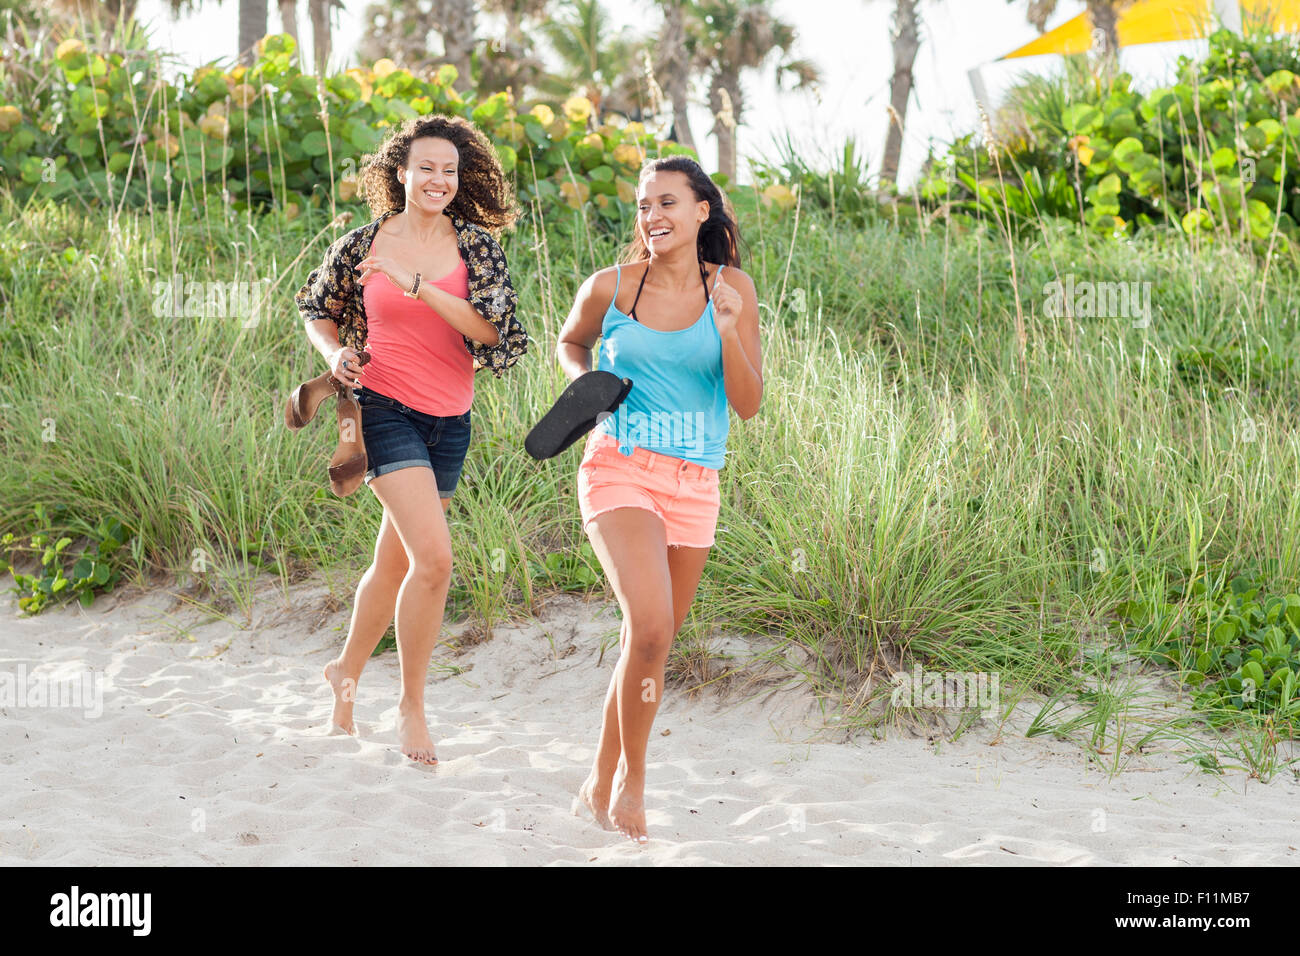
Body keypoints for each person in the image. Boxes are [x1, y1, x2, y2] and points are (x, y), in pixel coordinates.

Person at [294, 114, 527, 765]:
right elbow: (318, 308)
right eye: (426, 167)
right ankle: (412, 708)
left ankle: (343, 674)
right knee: (435, 561)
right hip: (383, 410)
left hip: (451, 420)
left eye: (449, 170)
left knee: (394, 564)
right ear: (401, 172)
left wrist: (417, 286)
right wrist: (336, 352)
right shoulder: (365, 243)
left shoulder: (475, 248)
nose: (438, 179)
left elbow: (490, 331)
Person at [554, 155, 763, 841]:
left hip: (696, 481)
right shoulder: (612, 287)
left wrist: (729, 330)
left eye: (668, 203)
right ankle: (631, 785)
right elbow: (570, 341)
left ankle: (597, 776)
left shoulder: (733, 289)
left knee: (648, 643)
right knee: (648, 628)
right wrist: (586, 386)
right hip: (619, 467)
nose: (653, 218)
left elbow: (749, 403)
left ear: (703, 209)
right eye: (645, 206)